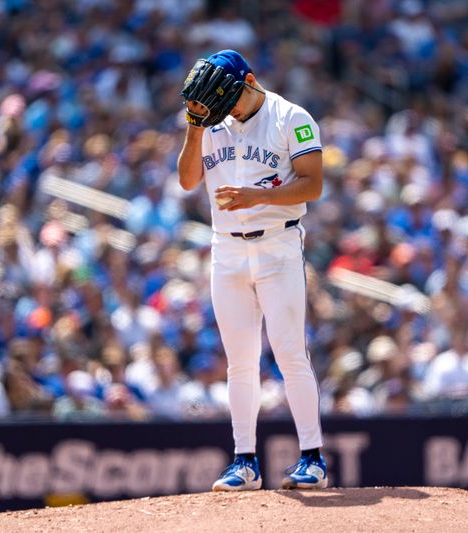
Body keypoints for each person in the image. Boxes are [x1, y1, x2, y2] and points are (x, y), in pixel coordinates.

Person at [177, 50, 326, 491]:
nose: (226, 110)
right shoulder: (211, 121)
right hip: (226, 250)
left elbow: (312, 184)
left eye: (229, 101)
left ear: (251, 81)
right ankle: (244, 461)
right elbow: (187, 181)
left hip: (278, 244)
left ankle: (312, 458)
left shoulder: (291, 117)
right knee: (239, 361)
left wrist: (256, 197)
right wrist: (194, 126)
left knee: (288, 352)